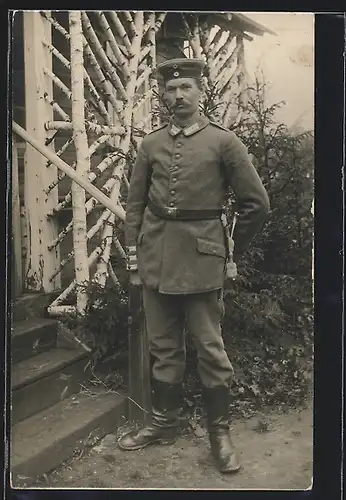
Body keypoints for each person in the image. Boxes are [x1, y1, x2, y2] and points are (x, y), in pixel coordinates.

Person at [118, 58, 270, 474]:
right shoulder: (150, 145)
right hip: (155, 257)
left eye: (186, 87)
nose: (178, 96)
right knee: (162, 347)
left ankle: (219, 434)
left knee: (210, 349)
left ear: (201, 91)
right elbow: (134, 207)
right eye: (170, 90)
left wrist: (230, 251)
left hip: (202, 260)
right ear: (162, 97)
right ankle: (164, 422)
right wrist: (135, 256)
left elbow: (257, 205)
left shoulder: (224, 143)